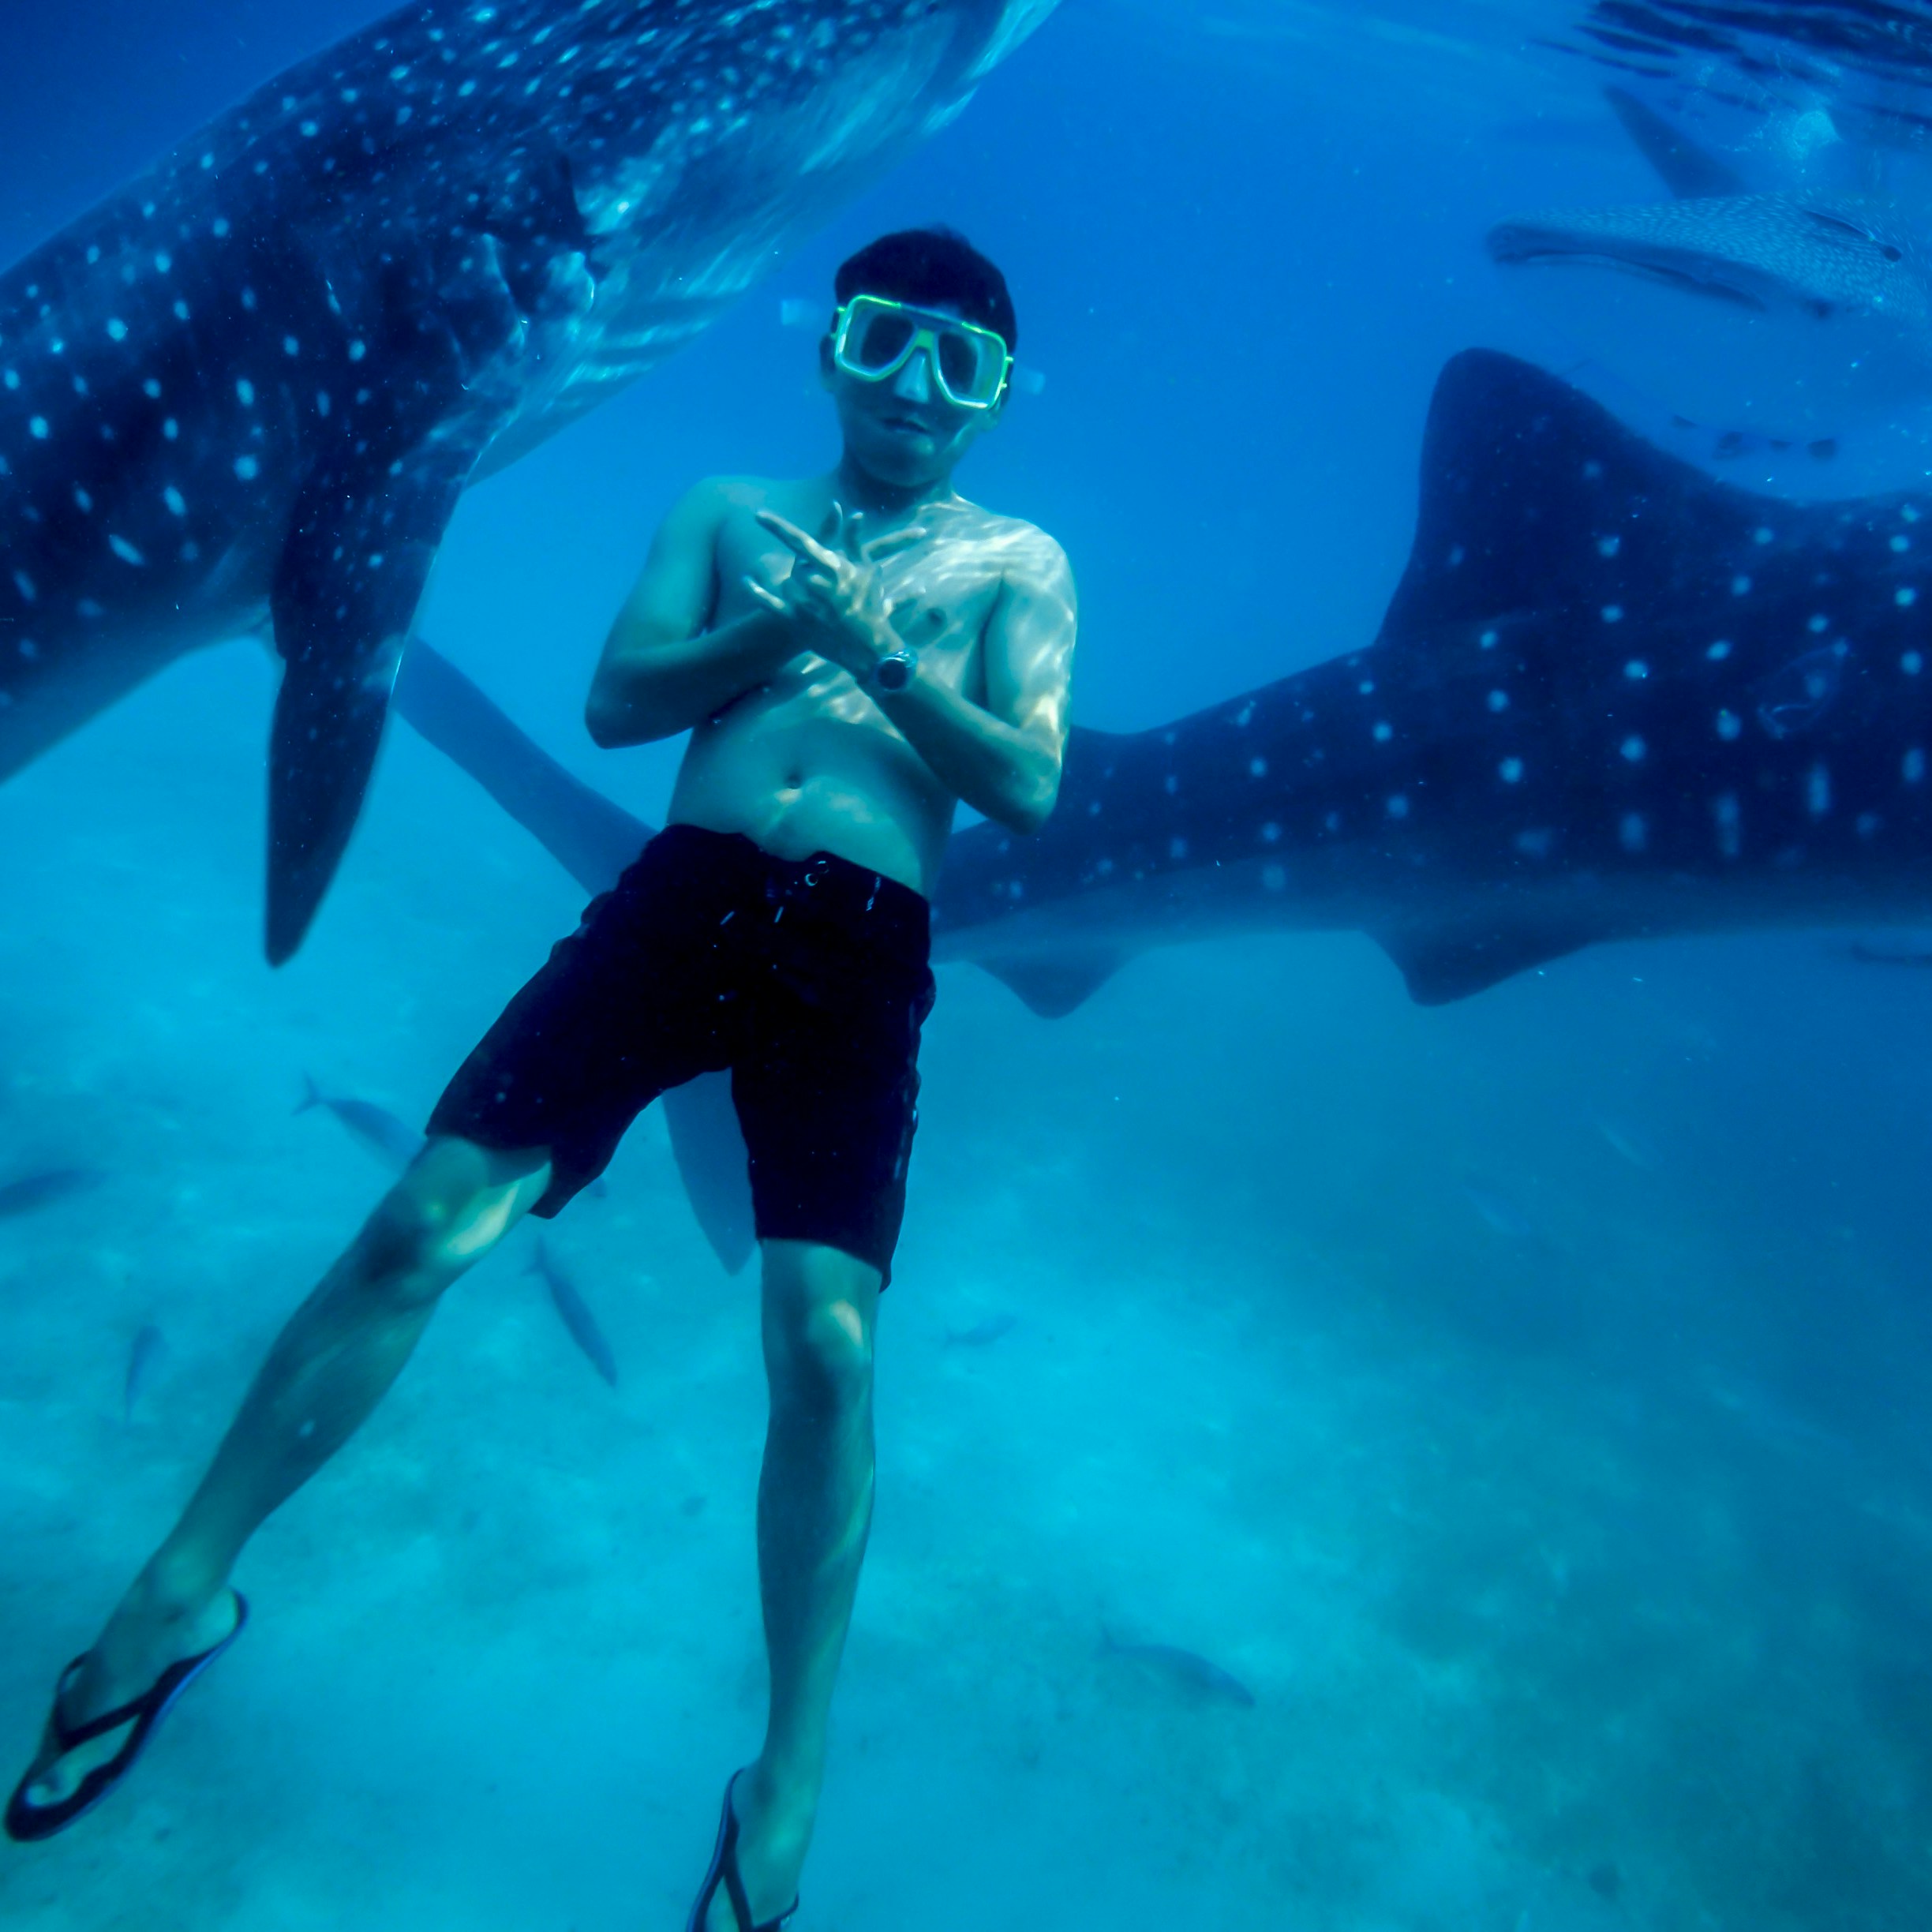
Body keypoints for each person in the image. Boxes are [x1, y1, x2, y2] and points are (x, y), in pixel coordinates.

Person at [6, 227, 1077, 1931]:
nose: (915, 388)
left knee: (825, 1347)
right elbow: (616, 704)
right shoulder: (732, 509)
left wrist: (879, 655)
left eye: (962, 362)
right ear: (832, 351)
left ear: (1000, 398)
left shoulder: (1024, 563)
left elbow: (1024, 784)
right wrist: (783, 625)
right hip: (679, 903)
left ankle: (787, 1773)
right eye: (886, 341)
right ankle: (176, 1592)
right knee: (416, 1228)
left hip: (860, 950)